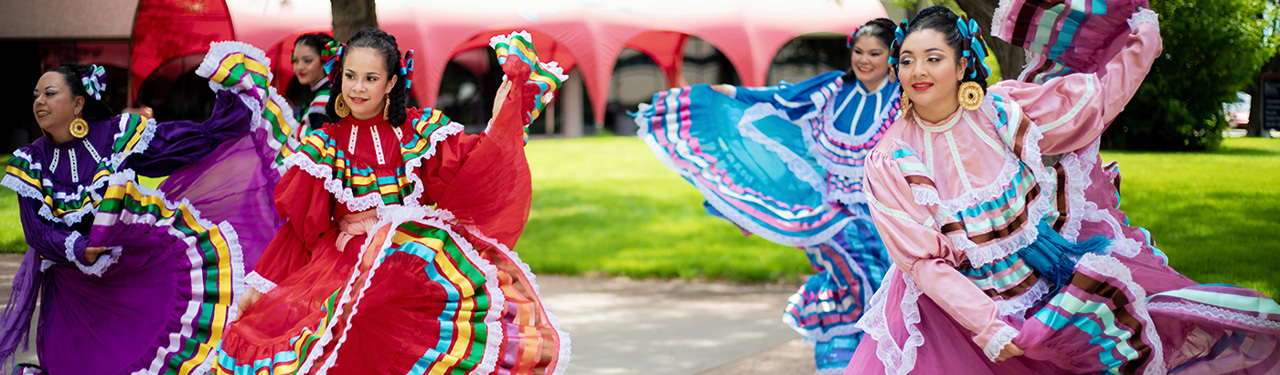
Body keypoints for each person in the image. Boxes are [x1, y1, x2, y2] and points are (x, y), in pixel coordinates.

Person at [846, 5, 1280, 374]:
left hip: (1049, 274)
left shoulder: (1000, 110)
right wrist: (990, 325)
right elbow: (924, 263)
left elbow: (1092, 104)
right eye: (906, 60)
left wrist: (1142, 41)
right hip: (952, 313)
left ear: (961, 65)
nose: (917, 71)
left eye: (933, 58)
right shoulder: (889, 158)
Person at [212, 28, 570, 374]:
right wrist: (260, 289)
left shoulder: (419, 133)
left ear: (392, 83)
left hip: (408, 268)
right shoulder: (322, 147)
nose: (357, 87)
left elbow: (473, 170)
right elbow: (299, 231)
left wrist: (503, 118)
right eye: (350, 76)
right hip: (341, 271)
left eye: (370, 78)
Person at [1, 41, 296, 374]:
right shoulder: (28, 162)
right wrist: (80, 248)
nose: (39, 101)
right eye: (36, 96)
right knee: (69, 362)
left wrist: (233, 106)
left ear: (78, 103)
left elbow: (187, 143)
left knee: (139, 355)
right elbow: (37, 233)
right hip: (71, 289)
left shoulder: (115, 136)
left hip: (129, 274)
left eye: (49, 93)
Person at [634, 18, 900, 373]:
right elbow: (782, 100)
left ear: (891, 57)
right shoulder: (834, 88)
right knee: (852, 275)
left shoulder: (901, 99)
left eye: (875, 53)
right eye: (858, 51)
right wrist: (734, 94)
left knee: (882, 283)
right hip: (833, 211)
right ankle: (841, 359)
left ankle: (872, 357)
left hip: (883, 214)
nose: (864, 60)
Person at [290, 32, 340, 138]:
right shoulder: (321, 91)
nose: (299, 67)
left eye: (307, 61)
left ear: (325, 61)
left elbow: (320, 143)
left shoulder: (325, 97)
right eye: (295, 60)